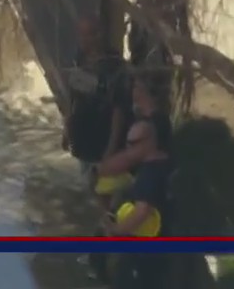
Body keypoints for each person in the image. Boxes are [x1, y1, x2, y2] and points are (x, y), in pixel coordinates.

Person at [63, 19, 133, 198]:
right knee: (90, 188)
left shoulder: (114, 65)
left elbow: (120, 108)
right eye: (81, 35)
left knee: (107, 190)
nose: (84, 40)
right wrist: (66, 129)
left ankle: (113, 223)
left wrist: (112, 146)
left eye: (89, 34)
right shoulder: (78, 59)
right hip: (82, 138)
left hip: (103, 138)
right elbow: (72, 97)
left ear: (99, 35)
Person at [103, 118, 172, 288]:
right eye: (127, 142)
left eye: (133, 143)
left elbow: (142, 211)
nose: (128, 147)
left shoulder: (150, 174)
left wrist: (115, 230)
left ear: (149, 142)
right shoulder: (165, 161)